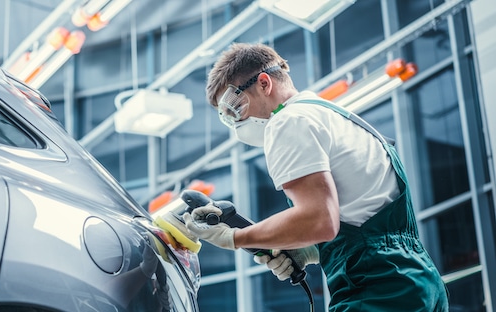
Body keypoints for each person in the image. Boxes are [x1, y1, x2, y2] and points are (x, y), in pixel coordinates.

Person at [182, 42, 449, 311]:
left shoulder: (287, 121)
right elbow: (359, 213)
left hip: (377, 287)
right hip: (415, 280)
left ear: (264, 84)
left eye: (236, 107)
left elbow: (319, 220)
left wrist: (236, 237)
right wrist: (313, 249)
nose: (238, 122)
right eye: (227, 117)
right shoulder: (332, 116)